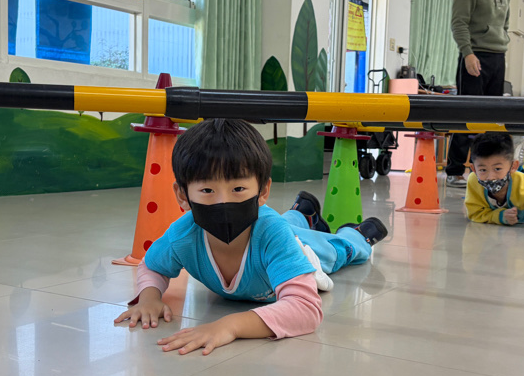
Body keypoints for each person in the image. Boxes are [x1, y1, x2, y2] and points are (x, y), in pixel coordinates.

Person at [115, 118, 388, 355]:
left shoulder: (273, 234)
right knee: (280, 224)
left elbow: (306, 309)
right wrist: (149, 297)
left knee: (332, 250)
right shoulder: (182, 236)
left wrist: (231, 326)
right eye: (207, 191)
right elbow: (152, 264)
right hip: (270, 228)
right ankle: (301, 213)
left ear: (263, 191)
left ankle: (356, 236)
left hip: (295, 246)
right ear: (182, 195)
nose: (223, 203)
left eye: (238, 189)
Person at [445, 0, 524, 188]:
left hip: (497, 57)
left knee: (492, 117)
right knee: (467, 115)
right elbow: (459, 22)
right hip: (474, 56)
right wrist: (467, 53)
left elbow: (505, 26)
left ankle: (490, 171)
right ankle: (454, 170)